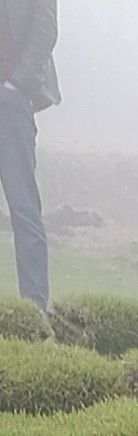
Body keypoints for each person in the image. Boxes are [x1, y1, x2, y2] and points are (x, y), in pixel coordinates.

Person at [0, 0, 60, 313]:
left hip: (10, 102)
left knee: (24, 209)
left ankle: (35, 311)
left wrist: (16, 85)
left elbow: (46, 31)